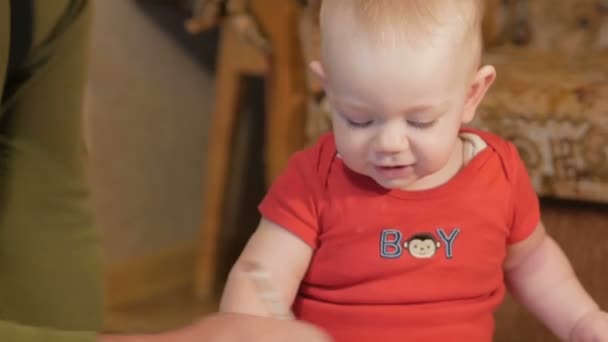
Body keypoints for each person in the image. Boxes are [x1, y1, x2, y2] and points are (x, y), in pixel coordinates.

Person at [214, 0, 608, 341]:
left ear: (471, 95)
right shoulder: (316, 177)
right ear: (329, 91)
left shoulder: (498, 173)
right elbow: (260, 274)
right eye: (359, 120)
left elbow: (532, 262)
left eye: (420, 122)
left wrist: (581, 320)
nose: (390, 144)